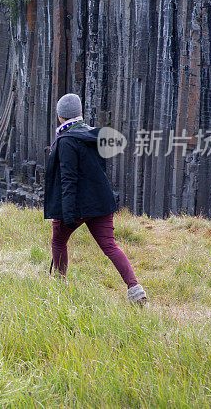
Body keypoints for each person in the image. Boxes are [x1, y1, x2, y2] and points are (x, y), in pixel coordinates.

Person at [44, 93, 148, 304]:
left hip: (79, 205)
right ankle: (135, 288)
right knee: (110, 246)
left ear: (60, 117)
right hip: (101, 202)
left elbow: (69, 180)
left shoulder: (66, 141)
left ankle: (59, 287)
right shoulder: (93, 134)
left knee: (58, 241)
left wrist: (67, 214)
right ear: (80, 113)